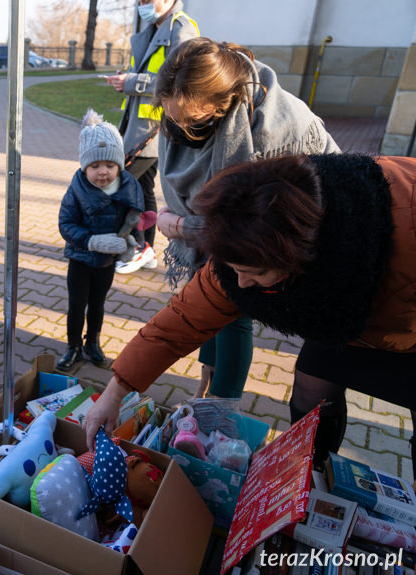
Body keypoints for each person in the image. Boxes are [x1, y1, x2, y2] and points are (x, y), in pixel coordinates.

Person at [81, 153, 416, 474]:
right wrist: (115, 393)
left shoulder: (397, 232)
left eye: (253, 272)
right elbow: (181, 322)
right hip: (344, 316)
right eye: (233, 268)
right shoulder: (249, 239)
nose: (241, 283)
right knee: (313, 382)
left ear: (296, 257)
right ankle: (312, 473)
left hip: (404, 322)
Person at [151, 38, 339, 400]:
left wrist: (176, 226)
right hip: (237, 224)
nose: (180, 130)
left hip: (291, 228)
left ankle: (222, 407)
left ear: (224, 106)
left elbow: (244, 228)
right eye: (172, 117)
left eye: (192, 120)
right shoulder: (186, 116)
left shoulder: (270, 133)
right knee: (208, 288)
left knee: (236, 305)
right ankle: (209, 374)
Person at [106, 0, 199, 275]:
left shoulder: (181, 29)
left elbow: (179, 80)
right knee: (142, 188)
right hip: (141, 125)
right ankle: (145, 249)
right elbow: (148, 73)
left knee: (123, 187)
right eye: (140, 0)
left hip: (155, 129)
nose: (143, 4)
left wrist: (132, 82)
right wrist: (127, 79)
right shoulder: (152, 29)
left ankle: (138, 247)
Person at [56, 110, 150, 371]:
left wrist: (133, 244)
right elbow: (66, 225)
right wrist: (92, 241)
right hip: (81, 258)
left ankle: (92, 343)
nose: (102, 173)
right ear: (84, 166)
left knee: (97, 304)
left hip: (107, 262)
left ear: (119, 165)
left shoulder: (129, 188)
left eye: (109, 166)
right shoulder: (77, 190)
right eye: (95, 166)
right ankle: (72, 346)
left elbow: (135, 220)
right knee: (77, 305)